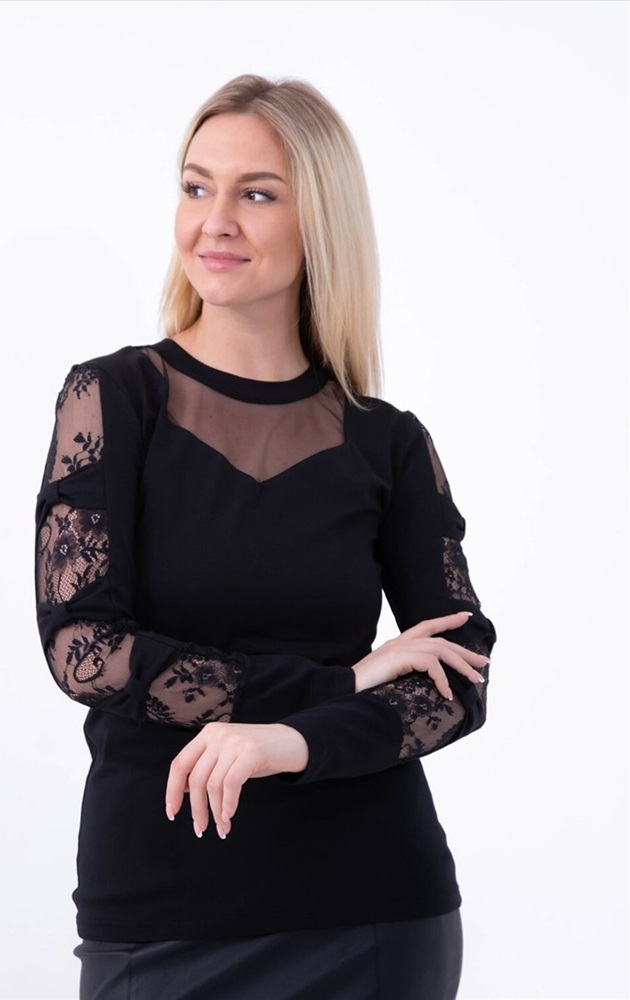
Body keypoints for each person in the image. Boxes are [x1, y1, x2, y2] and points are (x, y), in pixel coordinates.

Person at [34, 74, 496, 1000]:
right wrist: (339, 683)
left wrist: (292, 741)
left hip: (374, 913)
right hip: (163, 914)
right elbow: (84, 651)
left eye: (256, 194)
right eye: (196, 187)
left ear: (319, 220)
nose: (215, 222)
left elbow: (459, 675)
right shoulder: (114, 399)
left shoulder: (388, 442)